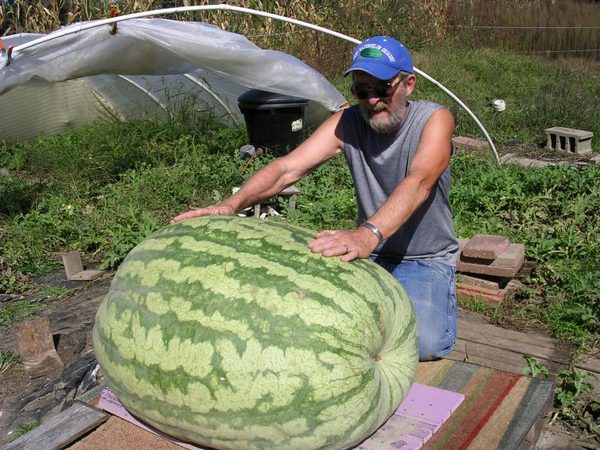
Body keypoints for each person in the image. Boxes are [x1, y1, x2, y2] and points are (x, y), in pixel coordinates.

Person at [171, 36, 458, 361]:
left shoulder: (434, 120)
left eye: (382, 89)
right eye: (362, 91)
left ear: (409, 84)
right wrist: (232, 204)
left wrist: (367, 233)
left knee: (423, 344)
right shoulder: (348, 122)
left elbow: (419, 181)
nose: (372, 100)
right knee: (322, 329)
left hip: (423, 259)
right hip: (369, 254)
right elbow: (286, 169)